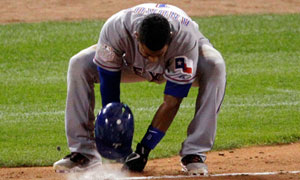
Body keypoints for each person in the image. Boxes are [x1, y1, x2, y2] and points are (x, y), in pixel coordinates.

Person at [53, 3, 226, 175]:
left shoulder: (183, 40)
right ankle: (84, 153)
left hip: (177, 61)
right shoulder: (116, 29)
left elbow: (172, 102)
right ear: (136, 36)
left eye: (157, 54)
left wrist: (143, 149)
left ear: (170, 38)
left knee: (215, 65)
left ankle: (194, 152)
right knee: (78, 63)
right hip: (132, 64)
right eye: (148, 54)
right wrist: (114, 130)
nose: (152, 60)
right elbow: (109, 84)